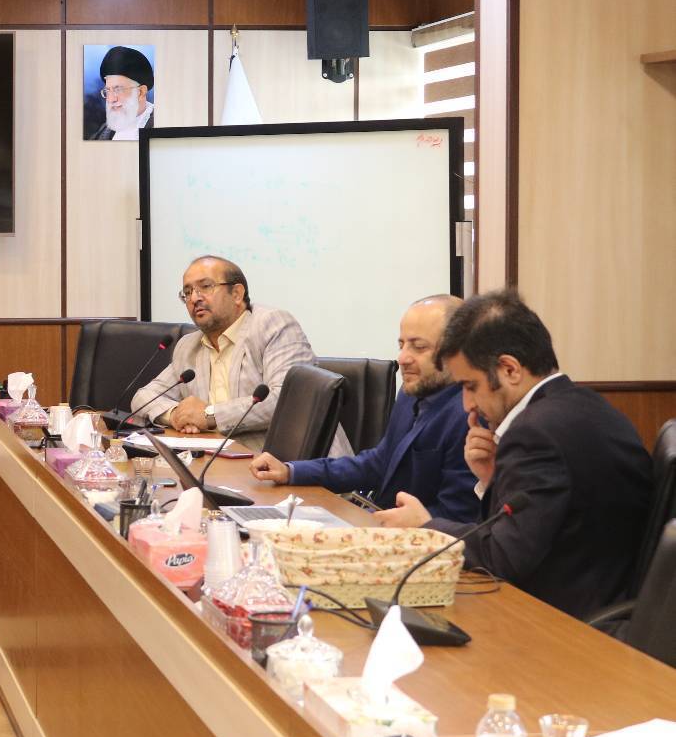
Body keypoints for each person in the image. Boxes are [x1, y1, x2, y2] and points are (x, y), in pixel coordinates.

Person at [376, 289, 652, 619]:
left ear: (509, 369)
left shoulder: (535, 434)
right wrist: (492, 479)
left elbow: (503, 558)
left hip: (564, 621)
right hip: (601, 602)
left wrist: (426, 527)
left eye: (470, 386)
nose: (467, 404)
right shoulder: (585, 405)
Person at [250, 295, 478, 521]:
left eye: (419, 347)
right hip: (374, 522)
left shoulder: (470, 415)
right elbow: (378, 463)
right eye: (401, 345)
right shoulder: (412, 392)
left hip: (412, 537)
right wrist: (291, 471)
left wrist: (389, 522)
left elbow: (458, 517)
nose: (402, 358)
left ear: (458, 351)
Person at [129, 255, 350, 457]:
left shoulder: (272, 325)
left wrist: (209, 415)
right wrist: (176, 415)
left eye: (205, 287)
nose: (194, 298)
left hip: (297, 465)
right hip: (225, 465)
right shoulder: (189, 346)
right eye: (187, 292)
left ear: (236, 294)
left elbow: (288, 401)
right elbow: (144, 397)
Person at [89, 45, 154, 141]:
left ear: (140, 92)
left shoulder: (159, 124)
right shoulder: (104, 130)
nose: (111, 99)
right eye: (108, 90)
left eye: (118, 90)